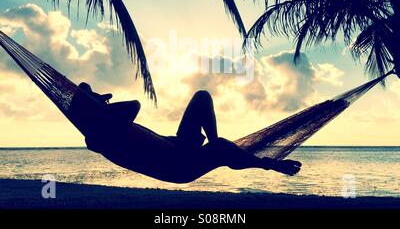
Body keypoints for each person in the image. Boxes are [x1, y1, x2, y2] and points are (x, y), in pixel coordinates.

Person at [71, 83, 302, 184]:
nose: (104, 95)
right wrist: (100, 103)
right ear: (91, 108)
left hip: (179, 148)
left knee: (202, 97)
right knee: (221, 147)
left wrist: (95, 101)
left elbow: (126, 110)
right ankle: (267, 163)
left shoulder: (106, 126)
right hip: (177, 165)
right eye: (94, 95)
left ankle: (217, 148)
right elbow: (133, 105)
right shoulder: (100, 134)